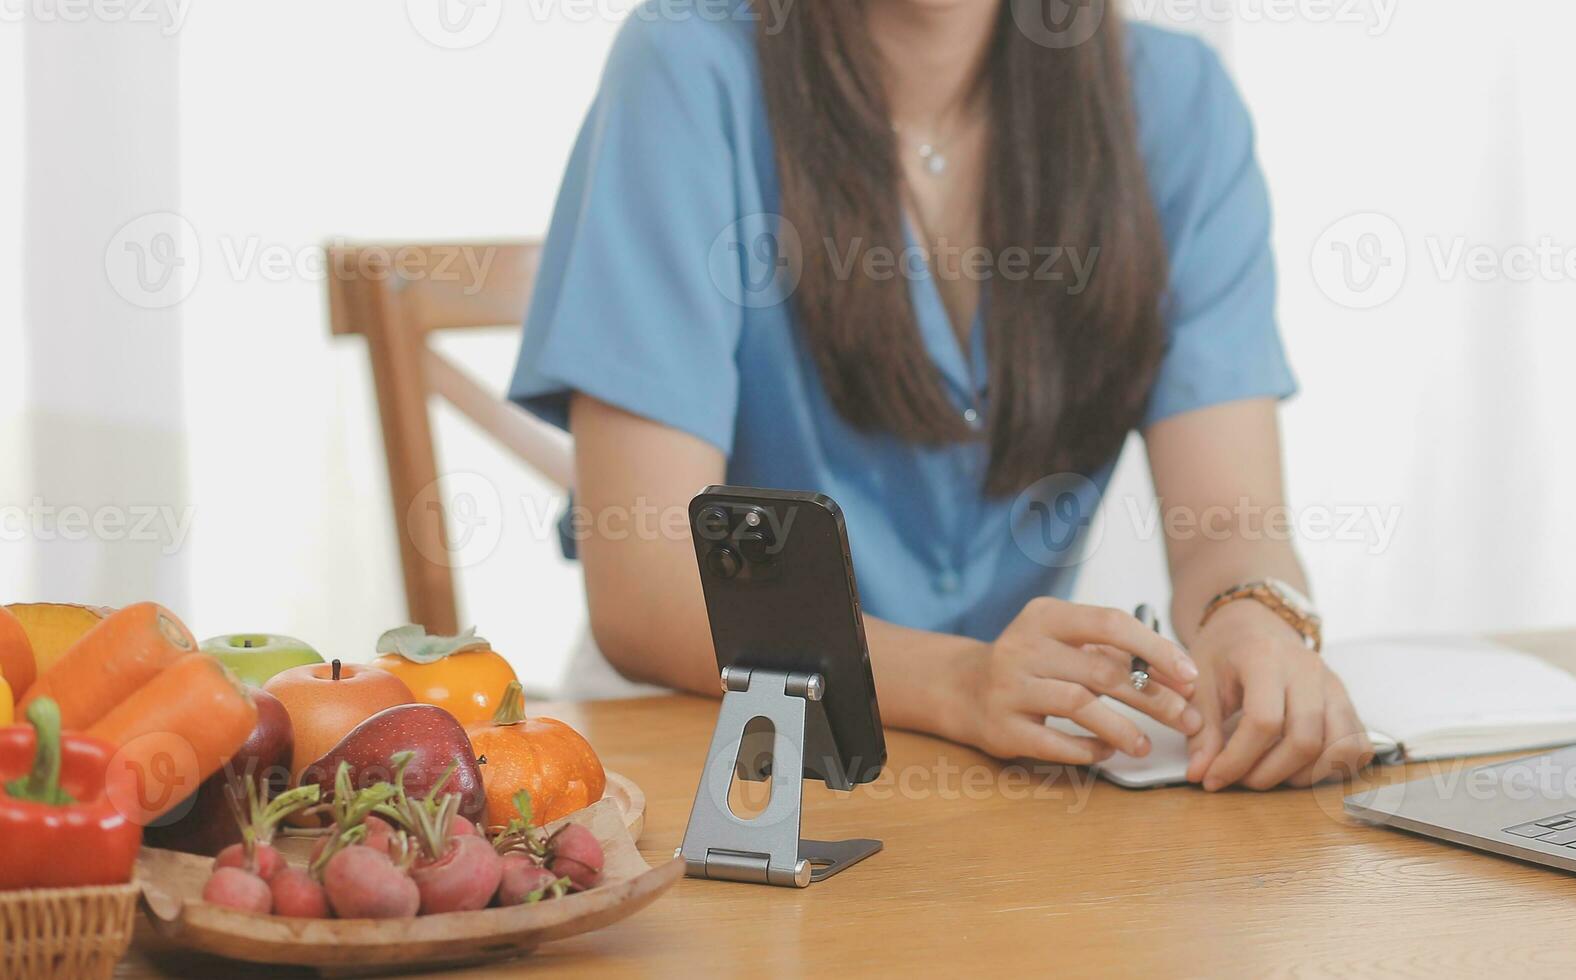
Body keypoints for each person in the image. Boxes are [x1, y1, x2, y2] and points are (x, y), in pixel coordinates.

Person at [509, 0, 1371, 790]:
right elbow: (645, 584)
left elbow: (1226, 523)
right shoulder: (688, 63)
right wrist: (960, 679)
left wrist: (1249, 617)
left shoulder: (1178, 101)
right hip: (721, 742)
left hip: (1001, 771)